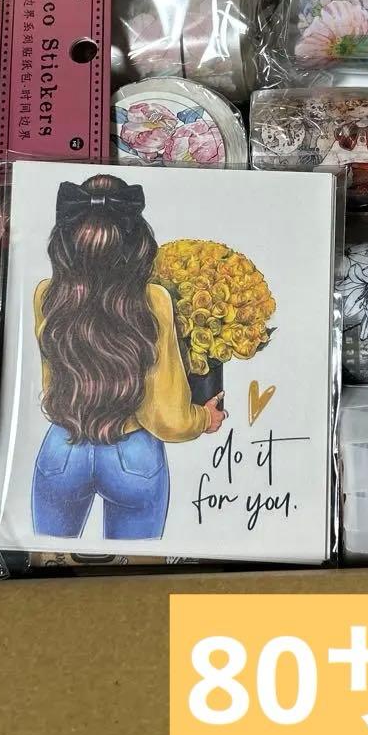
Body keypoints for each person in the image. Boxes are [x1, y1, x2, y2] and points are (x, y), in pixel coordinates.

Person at [32, 173, 226, 540]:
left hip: (62, 448)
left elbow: (52, 384)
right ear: (136, 241)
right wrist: (204, 418)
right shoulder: (153, 301)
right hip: (133, 456)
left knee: (46, 559)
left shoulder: (47, 294)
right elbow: (166, 418)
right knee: (137, 568)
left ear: (66, 240)